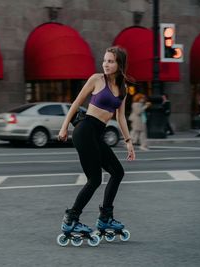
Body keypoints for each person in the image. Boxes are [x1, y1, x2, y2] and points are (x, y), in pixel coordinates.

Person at [57, 46, 135, 241]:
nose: (106, 64)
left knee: (118, 172)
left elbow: (121, 117)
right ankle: (71, 219)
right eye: (105, 60)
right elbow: (76, 103)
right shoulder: (96, 79)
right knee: (95, 179)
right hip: (85, 131)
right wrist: (64, 127)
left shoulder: (123, 88)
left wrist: (128, 142)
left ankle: (105, 218)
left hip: (97, 134)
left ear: (119, 64)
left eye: (111, 61)